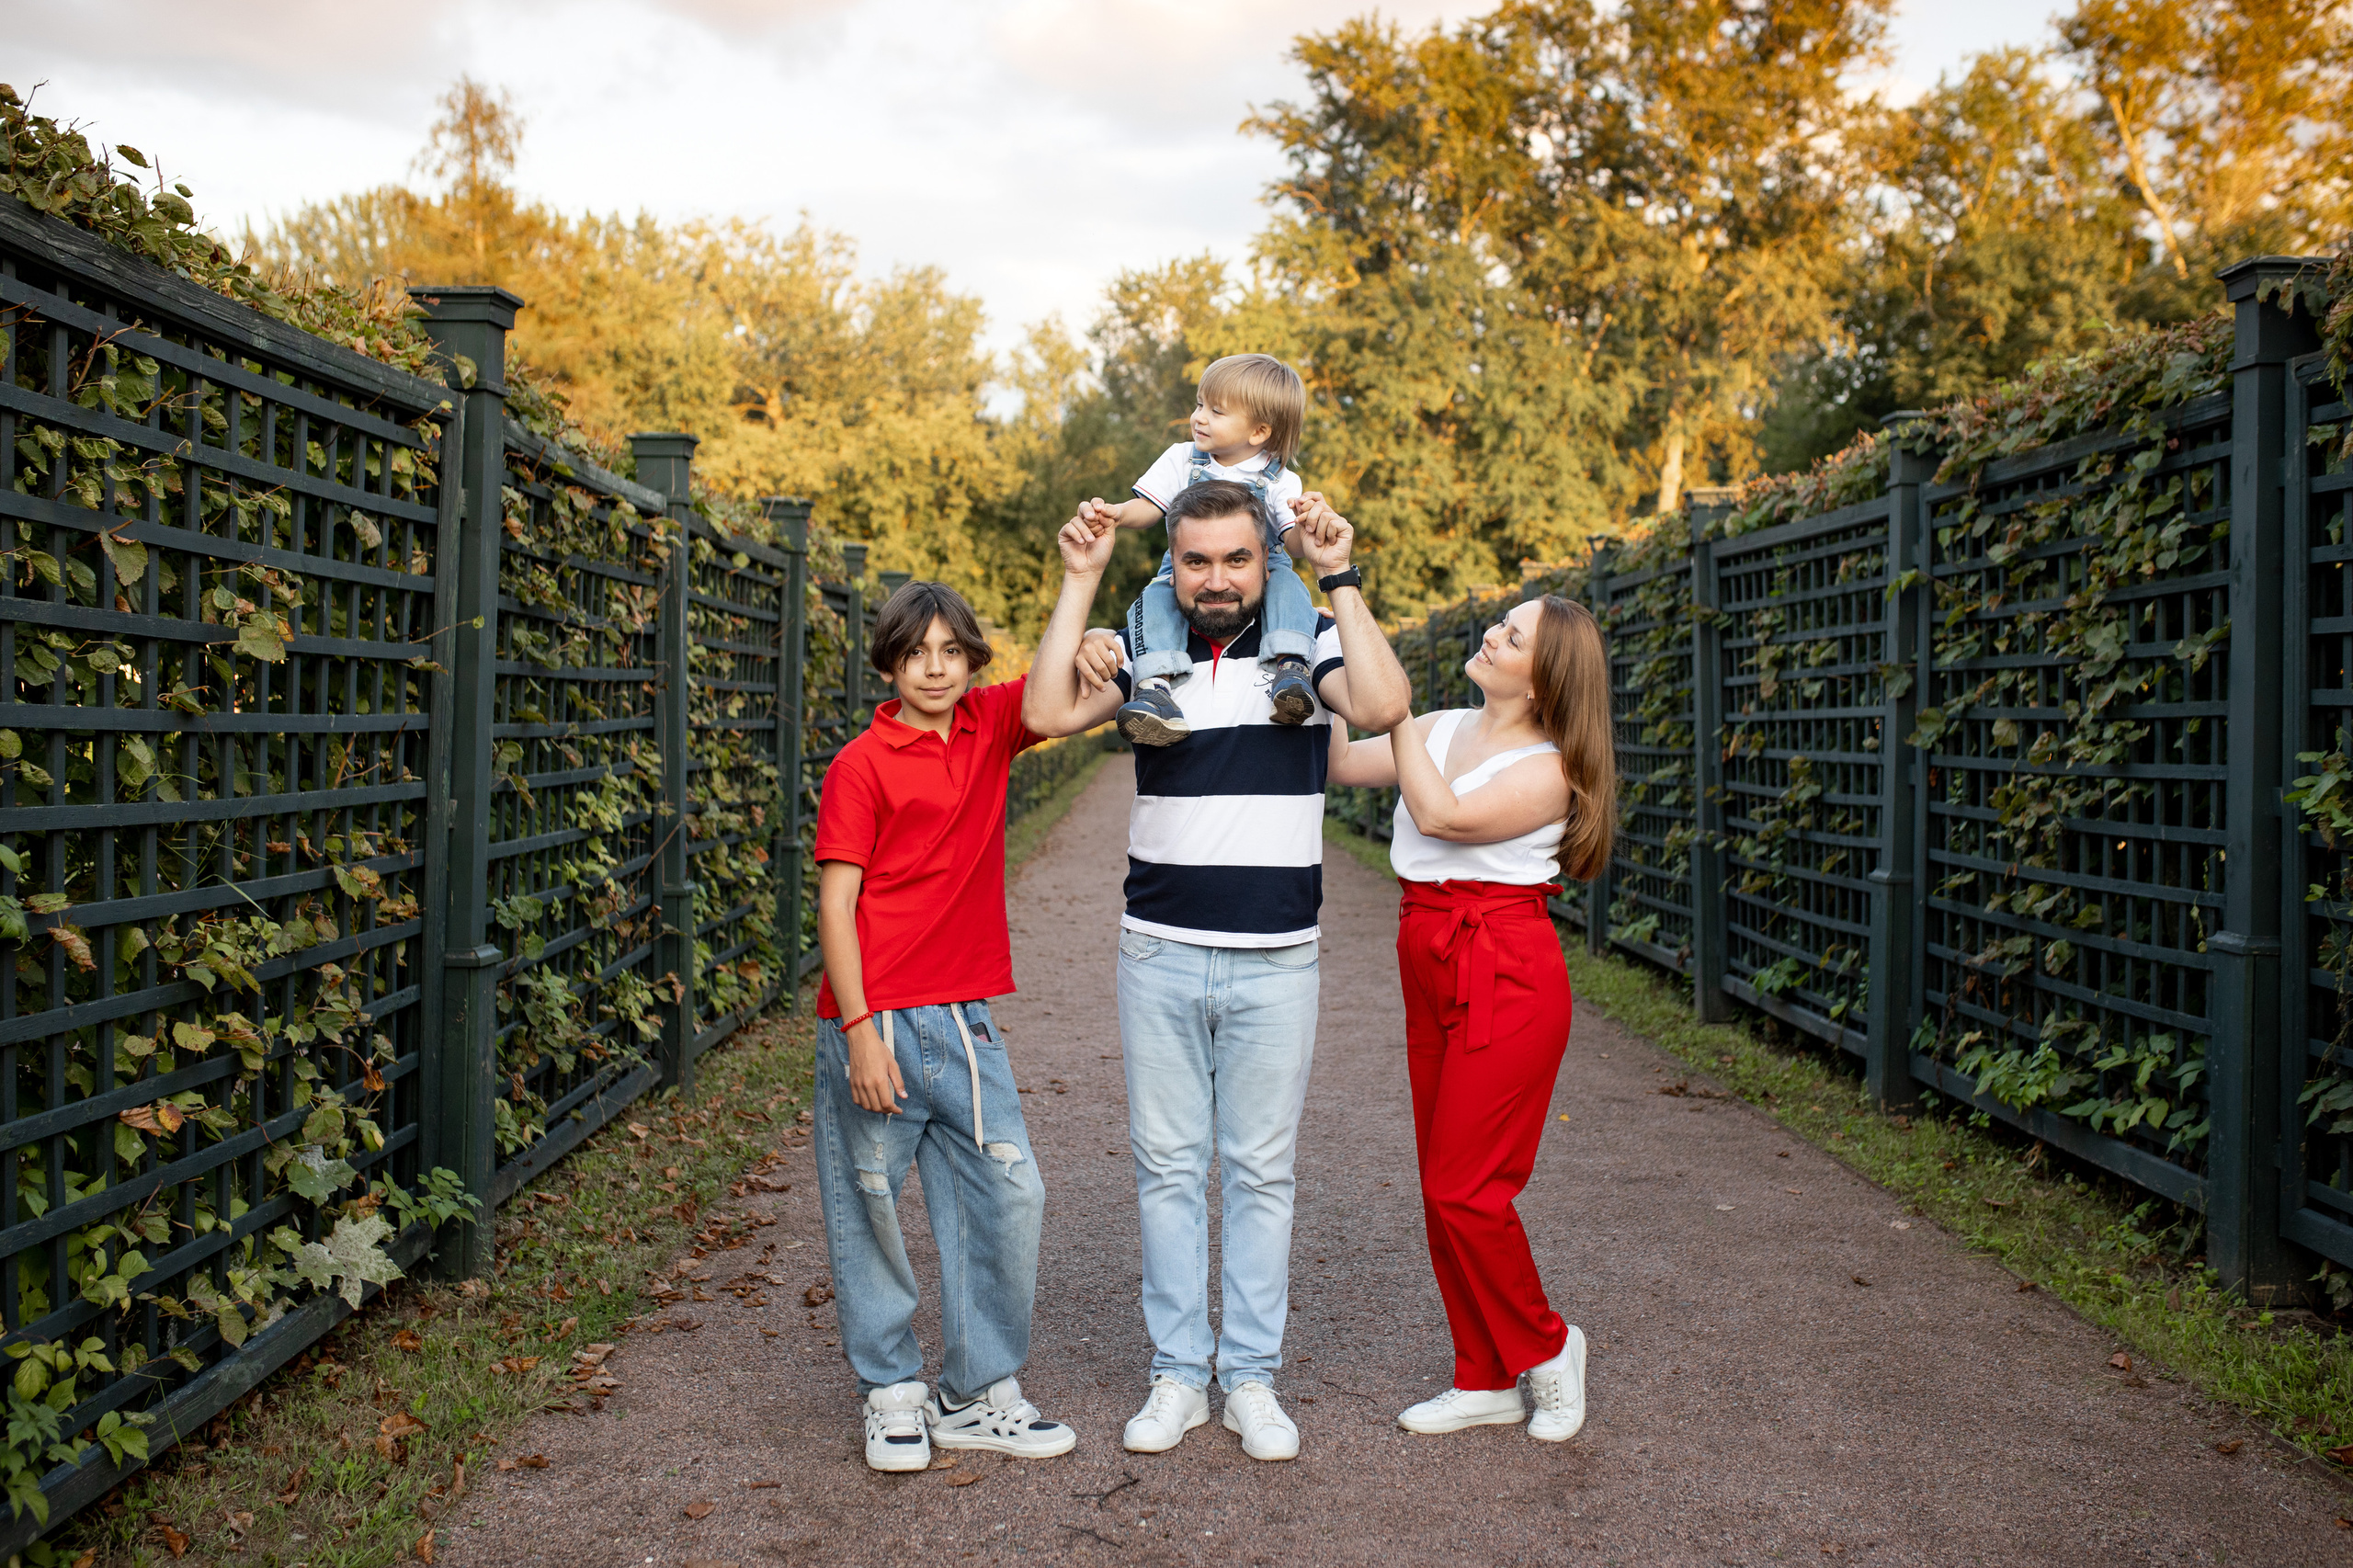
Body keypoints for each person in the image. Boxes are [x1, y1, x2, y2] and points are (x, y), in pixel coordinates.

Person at [1023, 479, 1411, 1461]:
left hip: (1277, 956)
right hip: (1157, 948)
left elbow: (1383, 705)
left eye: (1237, 558)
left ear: (1266, 561)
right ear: (1173, 564)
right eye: (1195, 560)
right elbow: (1044, 711)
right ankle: (1177, 1373)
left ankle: (1250, 1378)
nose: (1216, 578)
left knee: (1260, 1172)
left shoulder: (1306, 640)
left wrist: (1339, 574)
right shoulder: (1144, 646)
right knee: (1166, 1168)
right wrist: (1081, 582)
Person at [1327, 595, 1615, 1443]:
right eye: (1502, 623)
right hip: (1427, 949)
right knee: (1440, 1184)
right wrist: (1321, 645)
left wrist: (1394, 710)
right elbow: (1340, 761)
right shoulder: (1444, 725)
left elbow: (1441, 815)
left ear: (1543, 681)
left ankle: (1549, 1346)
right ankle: (1482, 1376)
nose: (1492, 634)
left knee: (1468, 1186)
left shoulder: (1553, 767)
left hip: (1505, 966)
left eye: (1512, 636)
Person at [811, 580, 1078, 1473]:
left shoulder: (992, 725)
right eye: (915, 652)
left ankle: (974, 1392)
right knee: (870, 1202)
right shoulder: (860, 764)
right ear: (890, 664)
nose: (934, 667)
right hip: (877, 1017)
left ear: (972, 660)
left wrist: (1097, 634)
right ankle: (890, 1390)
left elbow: (1069, 695)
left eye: (951, 651)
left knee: (1010, 1192)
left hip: (965, 1021)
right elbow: (837, 902)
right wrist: (858, 1029)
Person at [1073, 353, 1322, 747]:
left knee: (1289, 588)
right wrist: (1118, 513)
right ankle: (1155, 690)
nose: (1198, 418)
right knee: (1154, 600)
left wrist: (1309, 526)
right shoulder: (1182, 458)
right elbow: (1150, 507)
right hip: (1187, 566)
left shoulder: (1279, 479)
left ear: (1259, 431)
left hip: (1261, 567)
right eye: (1199, 404)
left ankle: (1290, 670)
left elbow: (1292, 542)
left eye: (1216, 411)